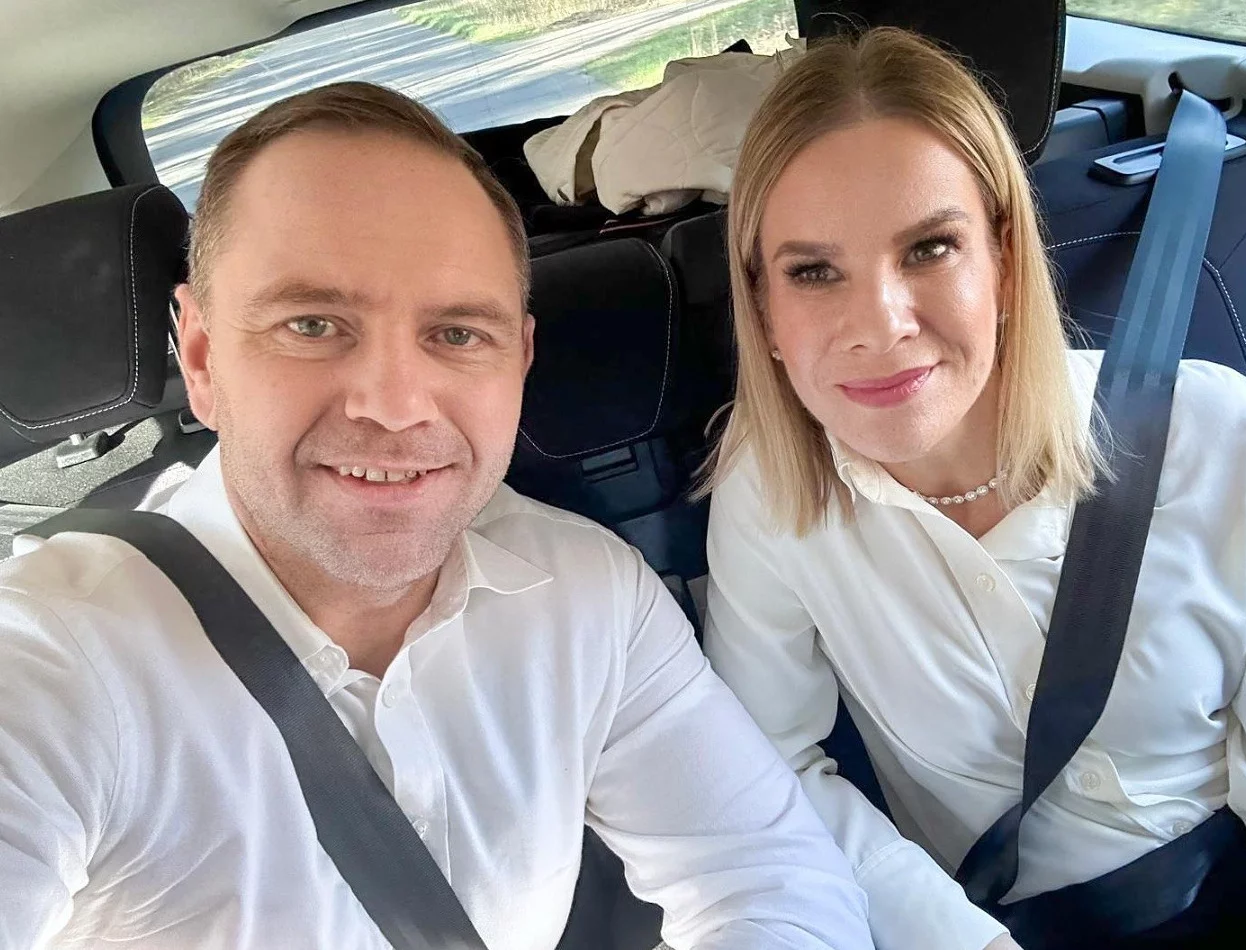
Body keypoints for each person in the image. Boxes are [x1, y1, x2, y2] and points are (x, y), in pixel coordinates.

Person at [0, 82, 878, 950]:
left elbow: (766, 877)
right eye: (312, 325)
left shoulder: (587, 595)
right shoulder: (49, 659)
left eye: (458, 334)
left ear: (519, 360)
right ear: (200, 356)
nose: (394, 406)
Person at [701, 26, 1246, 950]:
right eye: (813, 272)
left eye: (928, 248)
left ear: (1003, 260)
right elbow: (772, 770)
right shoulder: (769, 492)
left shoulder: (1231, 442)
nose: (879, 324)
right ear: (762, 309)